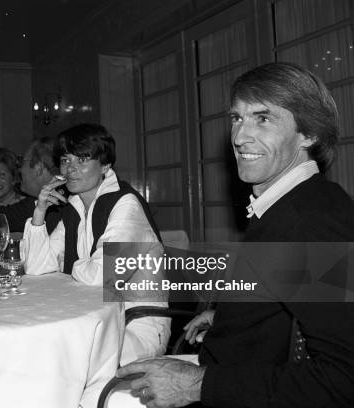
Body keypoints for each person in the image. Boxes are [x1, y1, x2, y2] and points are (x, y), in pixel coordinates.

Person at [117, 62, 354, 407]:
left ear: (309, 134)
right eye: (237, 118)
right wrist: (232, 314)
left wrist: (196, 386)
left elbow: (344, 380)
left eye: (263, 118)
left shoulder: (309, 222)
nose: (240, 137)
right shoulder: (292, 203)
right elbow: (292, 294)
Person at [22, 123, 170, 364]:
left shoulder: (126, 204)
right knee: (37, 347)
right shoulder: (75, 206)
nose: (71, 169)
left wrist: (69, 267)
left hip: (135, 326)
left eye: (82, 160)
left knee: (53, 356)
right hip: (90, 320)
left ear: (105, 165)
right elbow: (37, 267)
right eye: (65, 160)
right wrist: (39, 213)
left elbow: (100, 276)